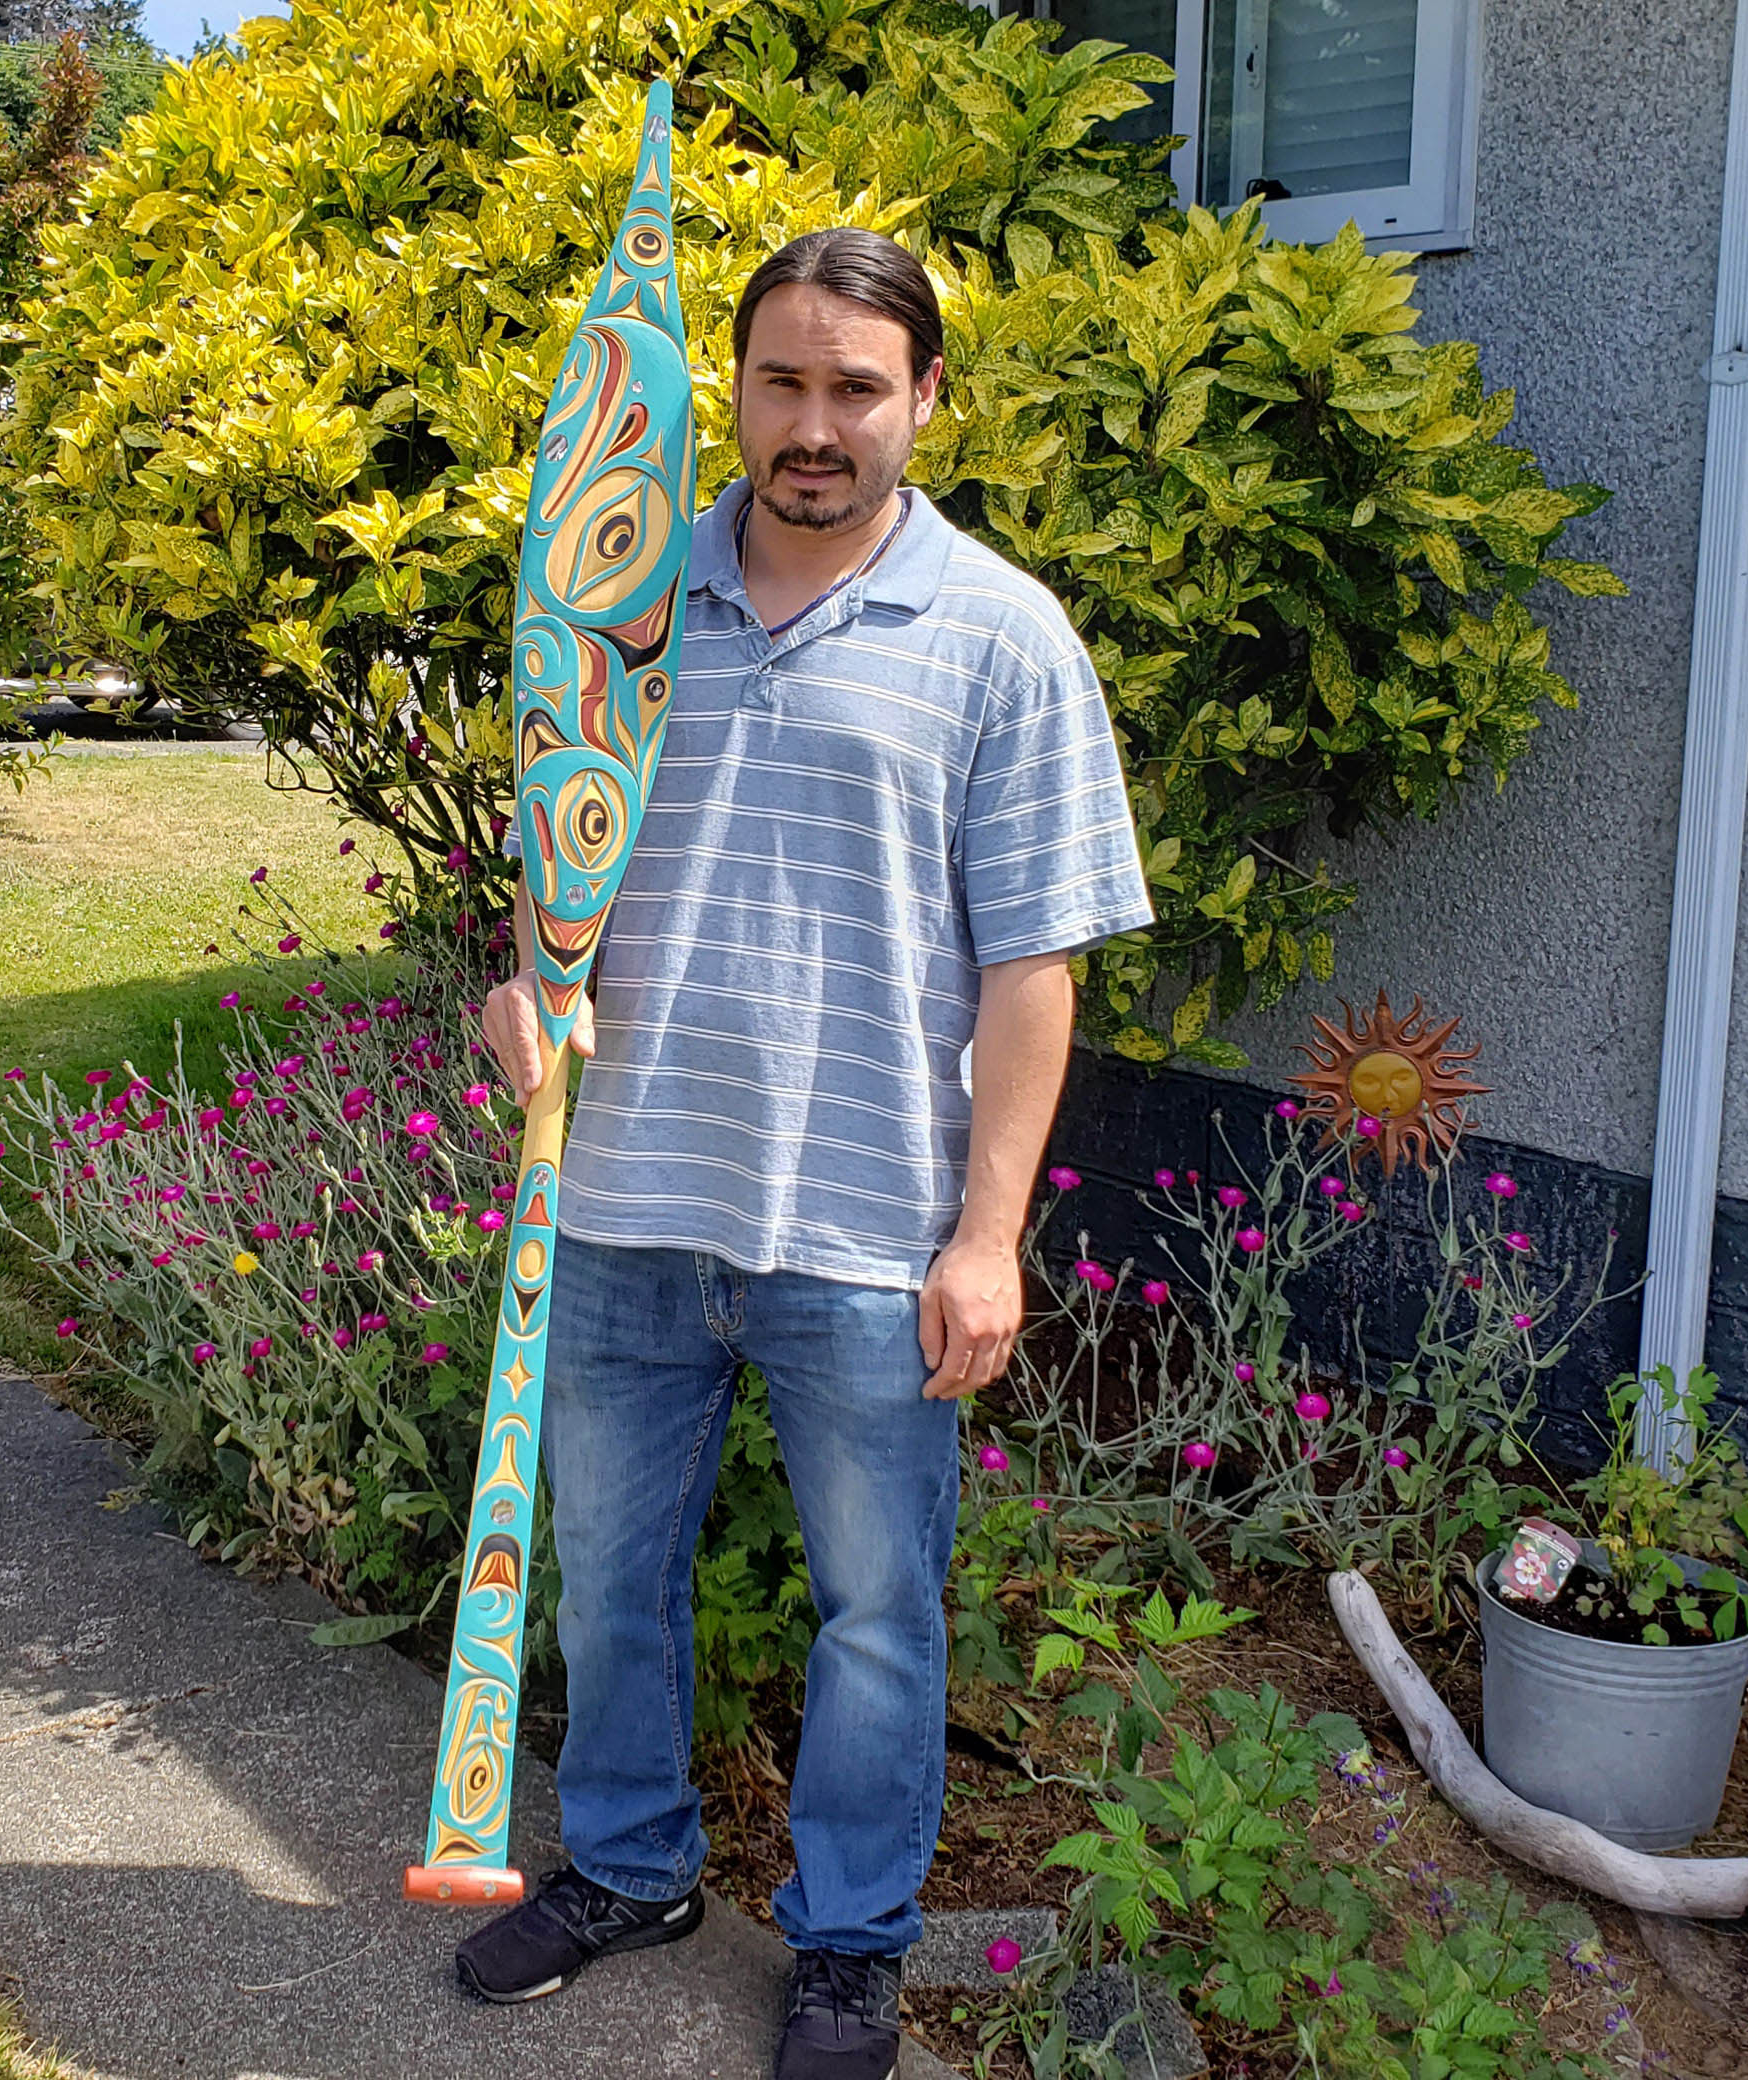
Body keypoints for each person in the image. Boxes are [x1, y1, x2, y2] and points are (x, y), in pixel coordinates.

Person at [455, 228, 1152, 2080]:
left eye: (859, 386)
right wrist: (522, 988)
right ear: (730, 395)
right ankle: (627, 1865)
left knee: (877, 1614)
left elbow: (1035, 971)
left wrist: (986, 1238)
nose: (817, 424)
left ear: (926, 400)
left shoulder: (1001, 633)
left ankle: (849, 1941)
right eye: (783, 381)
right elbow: (556, 868)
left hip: (864, 1226)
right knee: (606, 1577)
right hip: (620, 1201)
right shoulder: (617, 602)